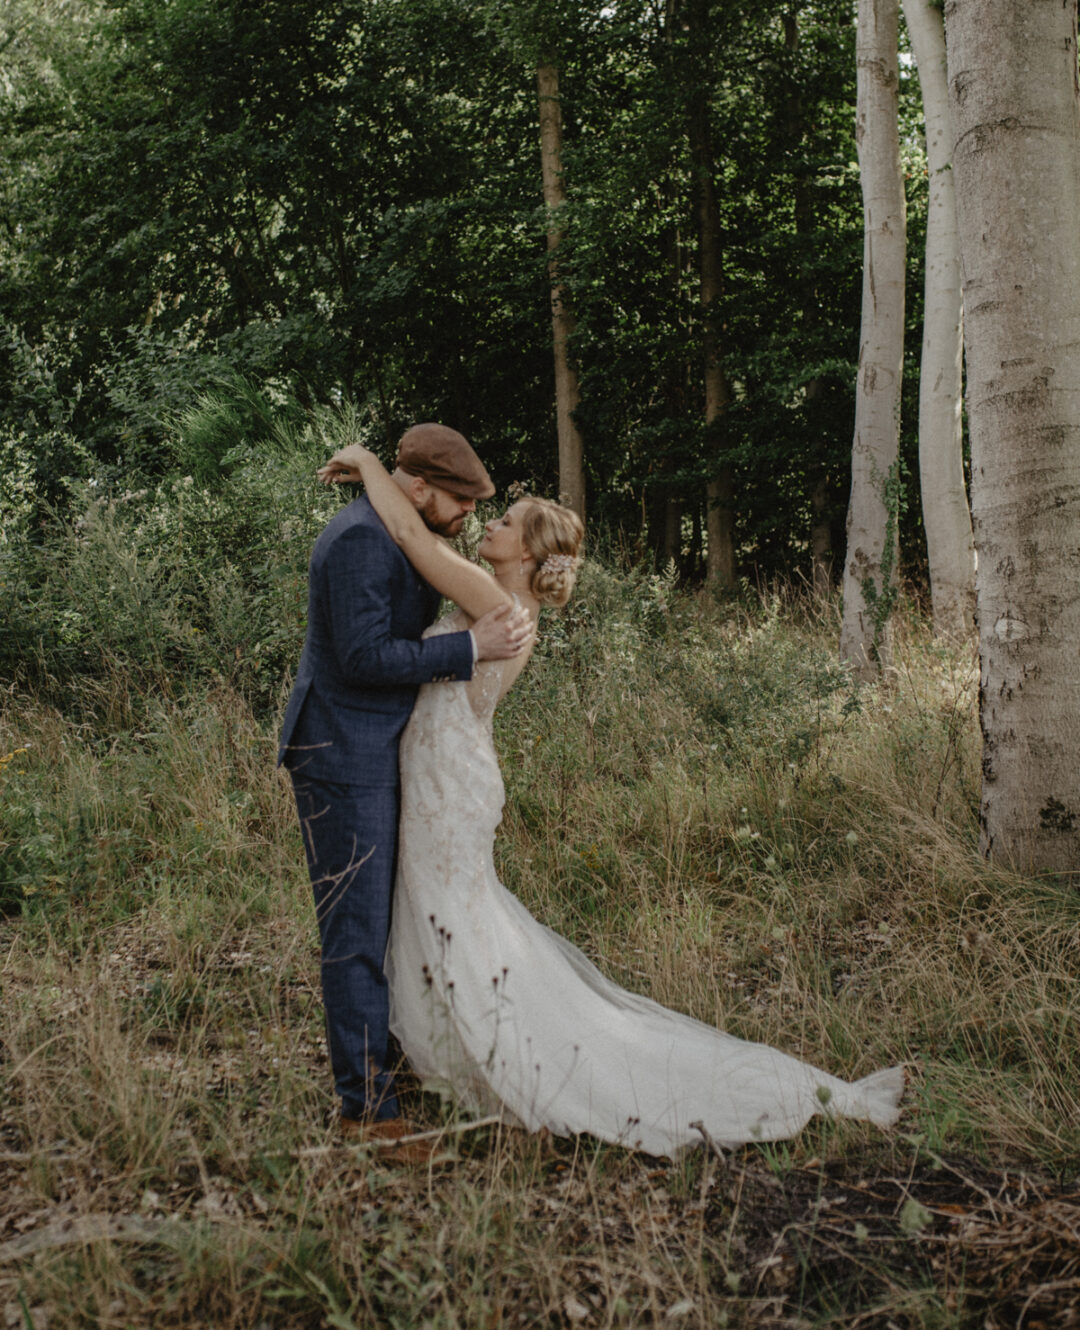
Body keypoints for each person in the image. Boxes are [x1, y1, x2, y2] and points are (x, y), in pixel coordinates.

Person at [317, 442, 905, 1159]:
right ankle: (437, 1055)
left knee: (452, 919)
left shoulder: (496, 599)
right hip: (447, 777)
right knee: (447, 916)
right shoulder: (499, 597)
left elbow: (410, 535)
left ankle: (514, 1064)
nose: (488, 524)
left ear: (528, 555)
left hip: (449, 785)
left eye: (505, 522)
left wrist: (366, 462)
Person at [279, 424, 532, 1156]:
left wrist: (365, 463)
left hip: (376, 747)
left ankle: (390, 1065)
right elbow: (360, 657)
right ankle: (366, 1111)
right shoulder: (361, 539)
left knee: (383, 922)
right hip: (340, 748)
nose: (466, 516)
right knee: (354, 931)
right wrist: (468, 648)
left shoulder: (393, 521)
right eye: (458, 501)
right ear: (417, 489)